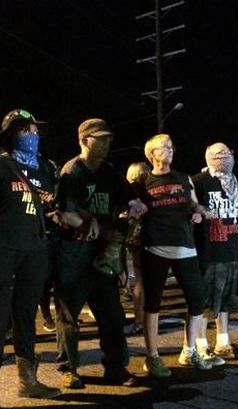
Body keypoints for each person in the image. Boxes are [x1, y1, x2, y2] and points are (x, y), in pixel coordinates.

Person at [0, 109, 61, 409]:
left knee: (26, 314)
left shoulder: (47, 169)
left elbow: (50, 205)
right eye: (24, 130)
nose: (32, 134)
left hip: (35, 249)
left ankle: (29, 380)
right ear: (10, 135)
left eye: (34, 128)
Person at [54, 118, 146, 388]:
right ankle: (67, 368)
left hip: (102, 253)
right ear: (84, 140)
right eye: (100, 138)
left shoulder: (108, 171)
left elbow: (127, 196)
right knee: (69, 315)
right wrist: (103, 230)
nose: (107, 143)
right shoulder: (72, 171)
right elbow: (65, 214)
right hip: (73, 251)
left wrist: (134, 204)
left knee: (112, 315)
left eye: (108, 138)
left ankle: (115, 367)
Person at [135, 134, 214, 377]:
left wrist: (199, 212)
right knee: (153, 303)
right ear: (151, 154)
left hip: (185, 245)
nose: (170, 150)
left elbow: (193, 204)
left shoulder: (183, 177)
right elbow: (135, 208)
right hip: (156, 247)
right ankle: (153, 356)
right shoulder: (142, 181)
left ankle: (188, 350)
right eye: (164, 148)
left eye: (171, 146)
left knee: (197, 298)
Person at [193, 142, 238, 363]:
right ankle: (201, 343)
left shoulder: (236, 181)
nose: (224, 157)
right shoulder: (200, 181)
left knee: (227, 297)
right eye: (218, 154)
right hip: (208, 249)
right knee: (206, 300)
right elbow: (192, 208)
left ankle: (223, 340)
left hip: (230, 247)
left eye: (227, 153)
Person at [123, 162, 151, 337]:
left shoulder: (131, 191)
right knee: (151, 282)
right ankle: (149, 319)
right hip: (154, 237)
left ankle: (140, 321)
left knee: (140, 281)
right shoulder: (153, 187)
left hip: (136, 239)